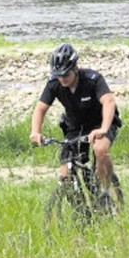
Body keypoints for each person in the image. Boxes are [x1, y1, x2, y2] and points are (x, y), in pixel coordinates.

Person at [29, 43, 122, 193]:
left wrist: (103, 128)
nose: (62, 79)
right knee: (65, 175)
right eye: (58, 75)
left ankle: (106, 191)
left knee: (99, 149)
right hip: (76, 125)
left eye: (66, 74)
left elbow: (109, 102)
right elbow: (40, 109)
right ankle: (81, 212)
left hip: (101, 122)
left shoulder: (93, 79)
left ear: (75, 69)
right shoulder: (54, 84)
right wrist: (35, 131)